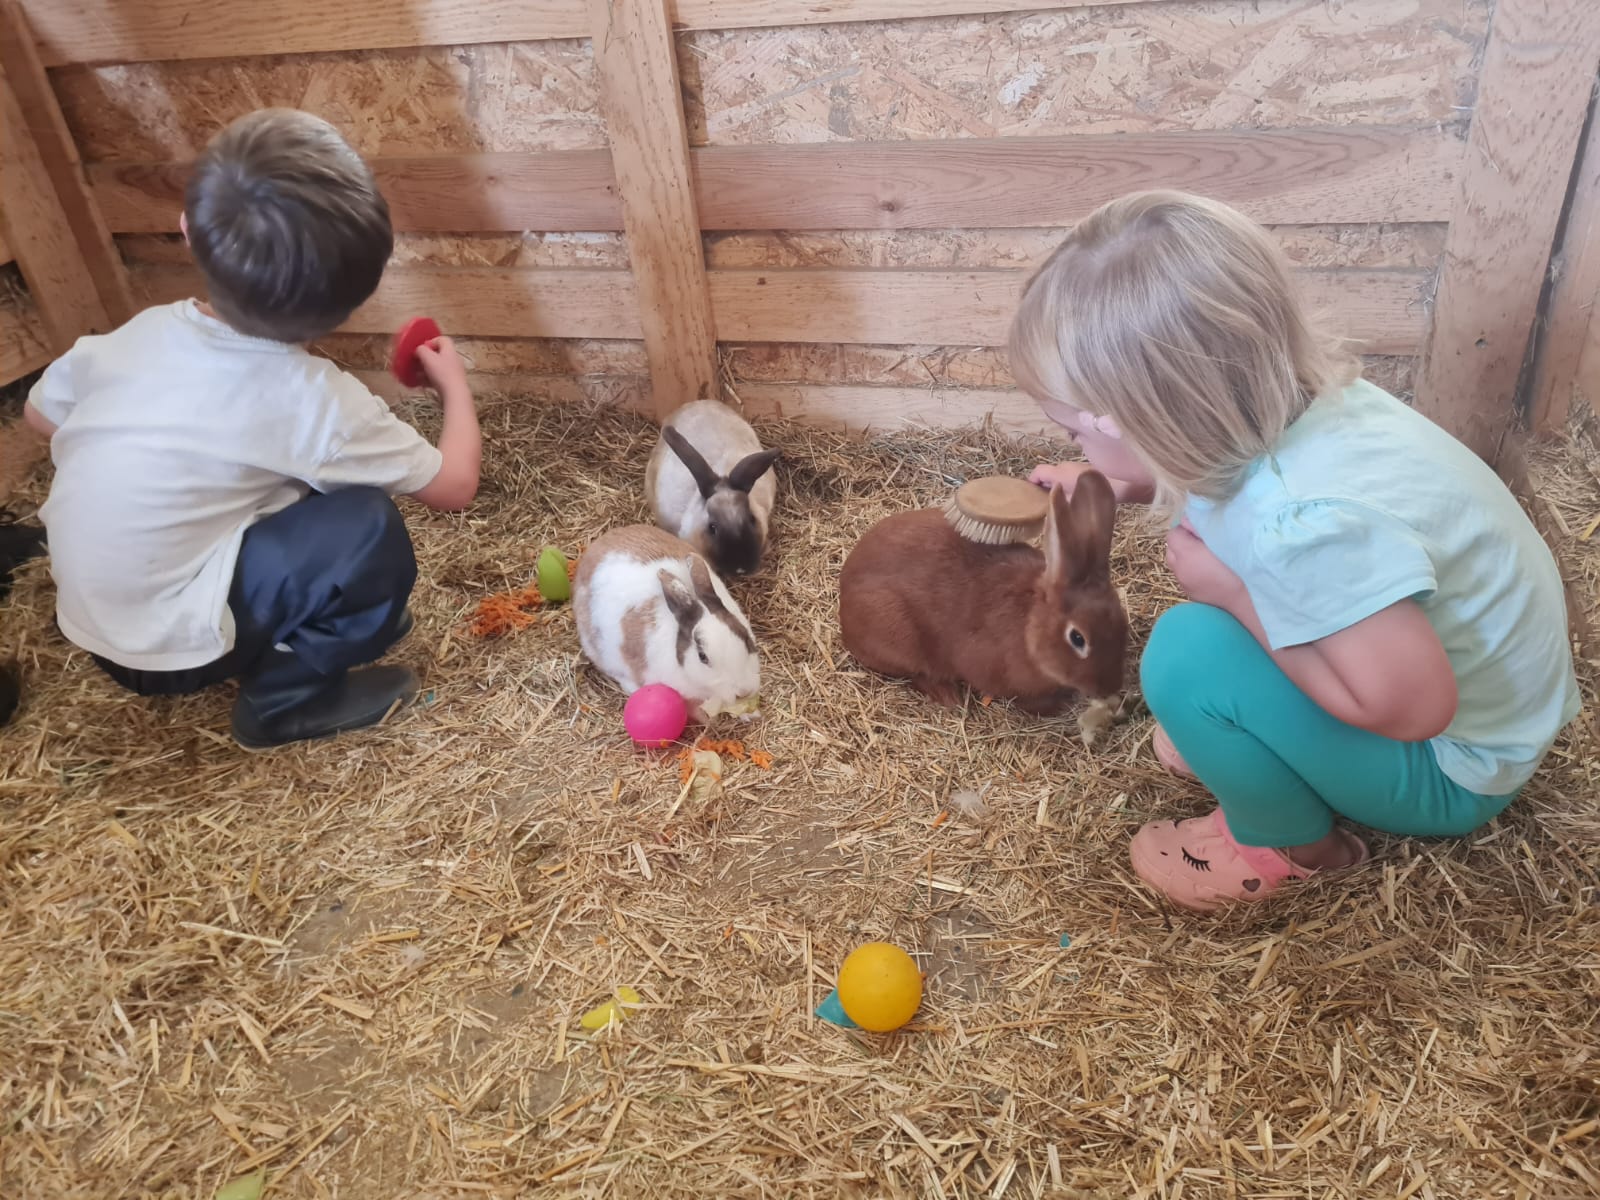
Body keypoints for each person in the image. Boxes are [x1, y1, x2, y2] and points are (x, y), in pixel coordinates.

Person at [1007, 190, 1581, 912]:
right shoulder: (1300, 410)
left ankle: (1288, 845)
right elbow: (1211, 480)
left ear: (1153, 424)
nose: (1080, 451)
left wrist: (1234, 596)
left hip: (1452, 770)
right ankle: (1260, 740)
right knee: (1210, 645)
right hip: (1490, 713)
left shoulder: (1305, 524)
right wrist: (1112, 479)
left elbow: (1412, 710)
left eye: (1077, 434)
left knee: (1186, 655)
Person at [23, 108, 481, 749]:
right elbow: (454, 485)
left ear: (186, 229)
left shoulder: (133, 335)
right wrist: (455, 386)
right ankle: (284, 700)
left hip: (91, 623)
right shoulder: (312, 399)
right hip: (174, 650)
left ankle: (260, 625)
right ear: (351, 301)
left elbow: (40, 416)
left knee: (275, 489)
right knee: (364, 523)